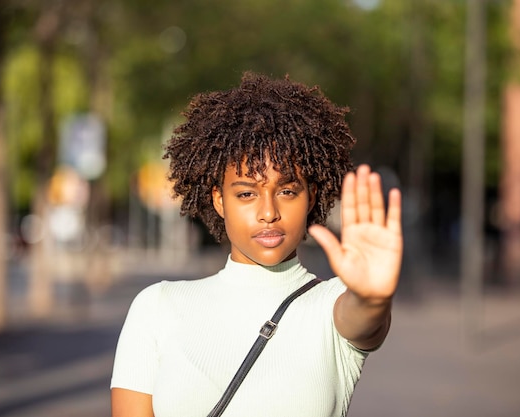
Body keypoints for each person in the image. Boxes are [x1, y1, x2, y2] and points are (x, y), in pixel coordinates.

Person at [110, 72, 403, 417]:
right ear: (219, 201)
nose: (268, 212)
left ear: (310, 198)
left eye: (287, 191)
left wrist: (372, 299)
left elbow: (363, 319)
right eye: (247, 193)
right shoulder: (156, 307)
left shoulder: (332, 306)